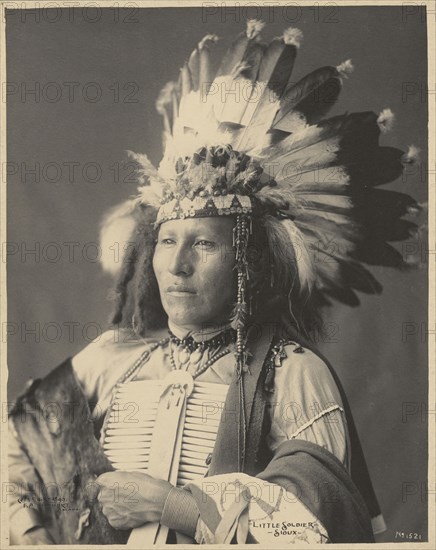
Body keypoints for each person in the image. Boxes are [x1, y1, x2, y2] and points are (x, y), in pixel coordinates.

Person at [9, 20, 420, 545]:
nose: (177, 265)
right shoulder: (114, 356)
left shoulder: (292, 375)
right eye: (166, 241)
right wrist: (30, 534)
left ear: (248, 263)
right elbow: (19, 444)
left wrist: (174, 507)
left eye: (203, 244)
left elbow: (321, 528)